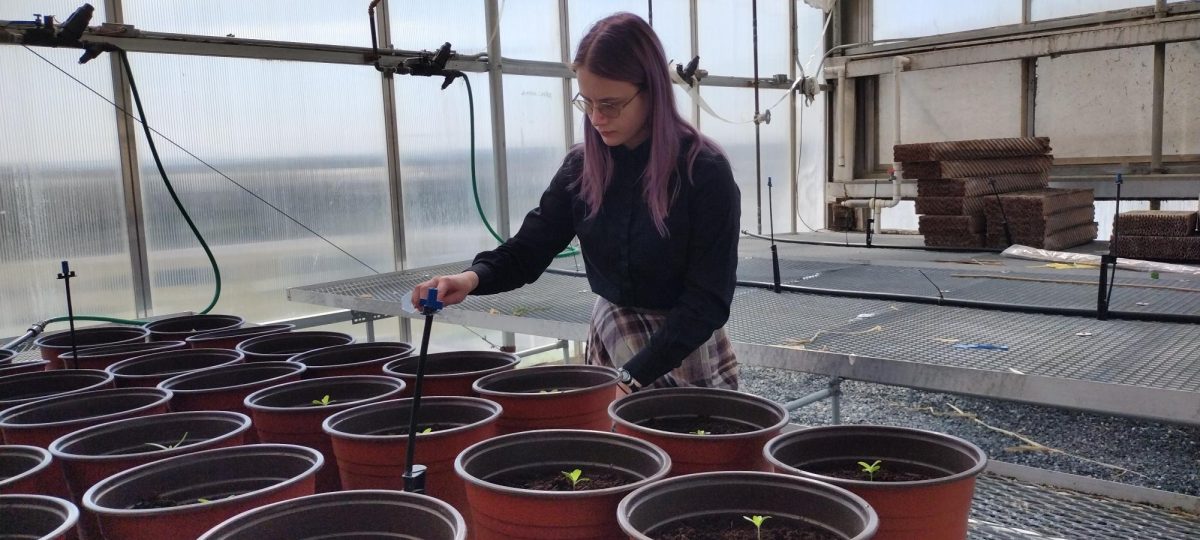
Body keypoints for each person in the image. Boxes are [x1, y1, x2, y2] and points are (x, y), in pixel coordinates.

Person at [411, 12, 740, 392]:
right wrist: (470, 279)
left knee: (689, 441)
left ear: (652, 91)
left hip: (684, 343)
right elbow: (528, 250)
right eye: (588, 102)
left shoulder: (704, 173)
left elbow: (707, 300)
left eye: (612, 104)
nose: (598, 118)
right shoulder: (583, 168)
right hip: (612, 333)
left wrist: (633, 375)